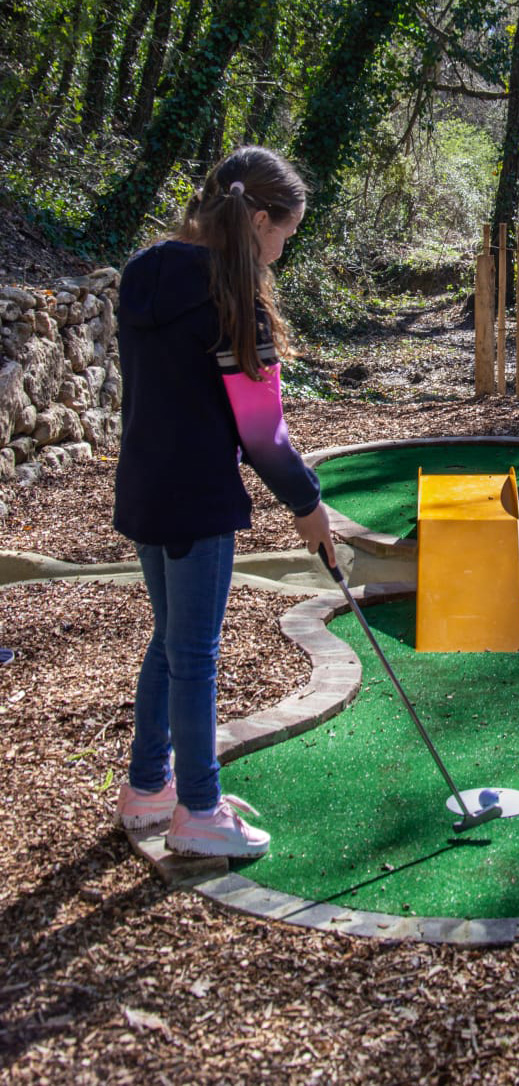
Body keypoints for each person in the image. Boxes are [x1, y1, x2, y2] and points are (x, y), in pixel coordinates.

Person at [112, 146, 336, 859]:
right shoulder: (233, 298)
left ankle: (150, 787)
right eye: (283, 237)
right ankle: (200, 810)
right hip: (199, 497)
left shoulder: (143, 270)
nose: (279, 253)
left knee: (170, 640)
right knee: (194, 652)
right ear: (259, 219)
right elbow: (263, 433)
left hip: (145, 486)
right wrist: (308, 505)